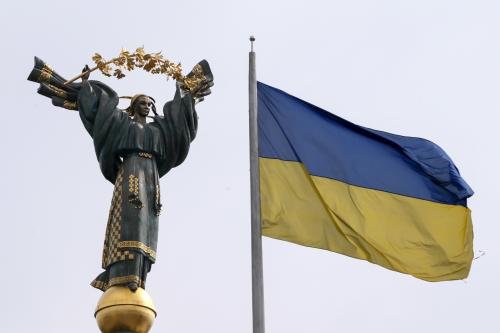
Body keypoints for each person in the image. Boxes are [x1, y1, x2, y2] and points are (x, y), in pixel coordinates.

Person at [28, 58, 213, 292]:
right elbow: (100, 113)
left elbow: (180, 125)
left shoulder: (160, 129)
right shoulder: (122, 124)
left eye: (149, 103)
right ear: (134, 105)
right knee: (131, 221)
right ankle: (122, 273)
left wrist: (185, 93)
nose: (147, 106)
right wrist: (87, 87)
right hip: (131, 173)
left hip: (152, 176)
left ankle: (140, 275)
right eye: (143, 103)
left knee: (148, 225)